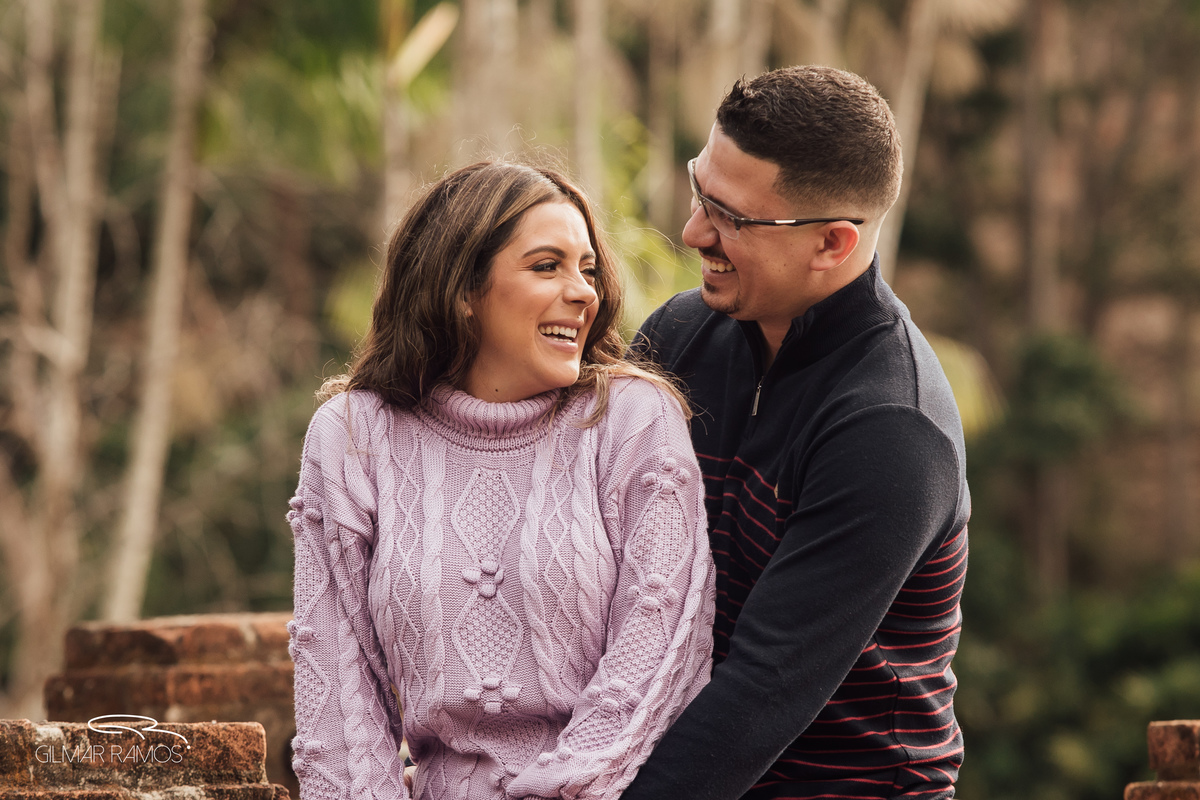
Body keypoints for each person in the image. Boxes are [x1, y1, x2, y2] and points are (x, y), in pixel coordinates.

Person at [286, 161, 715, 800]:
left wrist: (557, 790)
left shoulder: (631, 419)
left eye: (588, 269)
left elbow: (662, 651)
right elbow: (336, 688)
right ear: (463, 288)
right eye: (547, 266)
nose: (583, 293)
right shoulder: (354, 435)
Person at [623, 66, 970, 800]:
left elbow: (764, 687)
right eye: (699, 190)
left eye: (730, 217)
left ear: (832, 244)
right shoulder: (680, 336)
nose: (692, 233)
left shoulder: (889, 428)